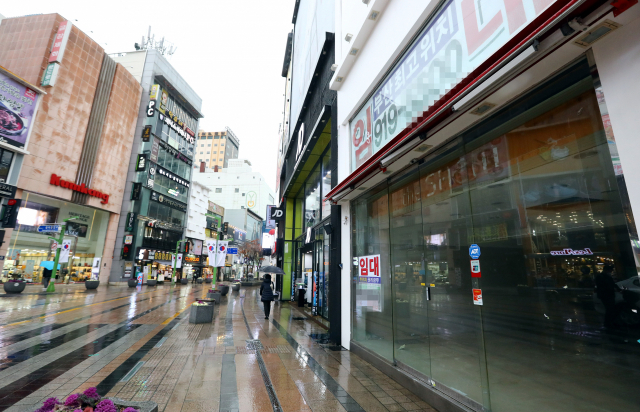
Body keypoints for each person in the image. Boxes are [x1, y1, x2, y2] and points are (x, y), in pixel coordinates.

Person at [595, 264, 621, 330]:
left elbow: (612, 284)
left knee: (610, 309)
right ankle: (608, 323)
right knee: (610, 309)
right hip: (606, 295)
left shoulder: (603, 276)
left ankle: (609, 323)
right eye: (610, 270)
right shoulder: (601, 277)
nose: (611, 272)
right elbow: (609, 285)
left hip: (607, 295)